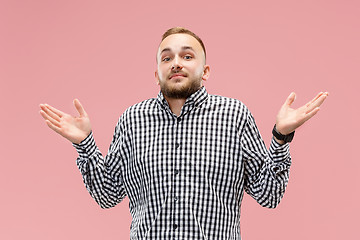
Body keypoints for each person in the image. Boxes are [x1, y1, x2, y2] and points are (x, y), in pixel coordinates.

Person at [39, 27, 328, 239]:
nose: (176, 62)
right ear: (157, 74)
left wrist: (280, 137)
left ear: (205, 71)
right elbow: (107, 195)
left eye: (187, 56)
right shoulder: (133, 119)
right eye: (166, 58)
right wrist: (84, 144)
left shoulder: (234, 115)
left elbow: (269, 195)